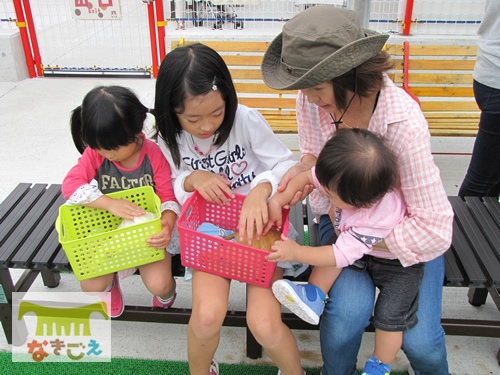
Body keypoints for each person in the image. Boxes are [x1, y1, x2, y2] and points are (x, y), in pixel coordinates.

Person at [260, 5, 454, 375]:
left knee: (421, 342)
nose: (310, 99)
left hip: (401, 239)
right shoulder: (312, 101)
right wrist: (287, 188)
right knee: (345, 316)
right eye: (304, 88)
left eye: (317, 88)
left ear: (350, 74)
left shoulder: (403, 124)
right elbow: (313, 163)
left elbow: (434, 229)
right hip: (343, 221)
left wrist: (362, 238)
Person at [154, 43, 306, 375]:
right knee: (207, 316)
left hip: (260, 232)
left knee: (264, 324)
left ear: (228, 99)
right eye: (192, 118)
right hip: (210, 239)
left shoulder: (246, 119)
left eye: (217, 113)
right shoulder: (168, 138)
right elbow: (169, 188)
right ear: (171, 110)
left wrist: (261, 188)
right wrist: (192, 179)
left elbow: (284, 164)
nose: (206, 126)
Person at [266, 128, 424, 375]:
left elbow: (338, 255)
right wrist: (279, 199)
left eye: (331, 195)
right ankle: (313, 294)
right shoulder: (343, 177)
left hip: (399, 267)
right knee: (334, 260)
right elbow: (308, 177)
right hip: (360, 247)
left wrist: (296, 252)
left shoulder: (375, 217)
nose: (324, 193)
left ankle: (379, 365)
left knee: (389, 319)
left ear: (364, 203)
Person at [62, 85, 181, 318]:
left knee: (161, 284)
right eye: (100, 147)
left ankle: (167, 296)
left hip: (148, 234)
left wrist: (166, 226)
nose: (108, 155)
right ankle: (110, 285)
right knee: (90, 286)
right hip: (111, 230)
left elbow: (168, 198)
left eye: (114, 148)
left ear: (136, 132)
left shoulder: (154, 154)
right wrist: (109, 203)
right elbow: (70, 184)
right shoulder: (96, 153)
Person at [458, 0, 500, 199]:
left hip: (491, 74)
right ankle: (463, 228)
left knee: (486, 179)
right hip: (496, 78)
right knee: (482, 183)